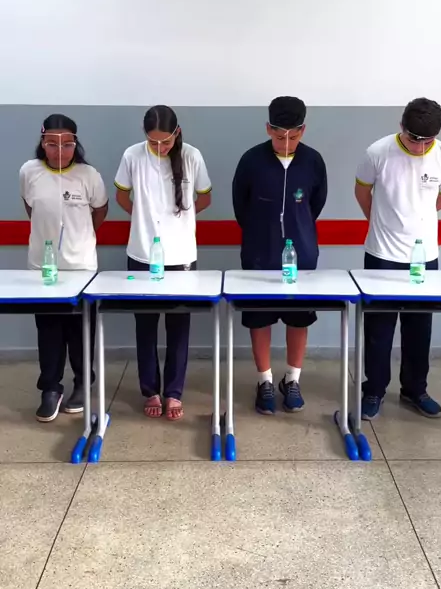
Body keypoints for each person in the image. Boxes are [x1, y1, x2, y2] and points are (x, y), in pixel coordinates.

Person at [355, 97, 441, 420]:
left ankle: (415, 389)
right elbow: (362, 193)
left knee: (419, 327)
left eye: (427, 141)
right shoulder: (377, 153)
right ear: (401, 127)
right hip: (382, 254)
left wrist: (417, 223)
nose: (419, 147)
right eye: (414, 139)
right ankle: (374, 390)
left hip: (424, 257)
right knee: (379, 328)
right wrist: (383, 224)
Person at [115, 105, 212, 420]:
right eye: (153, 142)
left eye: (166, 142)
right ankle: (150, 391)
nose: (160, 147)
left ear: (177, 133)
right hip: (141, 254)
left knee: (178, 328)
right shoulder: (132, 156)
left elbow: (204, 197)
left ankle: (173, 392)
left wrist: (180, 221)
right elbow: (122, 197)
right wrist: (143, 219)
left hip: (181, 256)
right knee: (145, 326)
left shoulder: (192, 156)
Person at [232, 96, 328, 415]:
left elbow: (315, 204)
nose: (286, 143)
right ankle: (264, 381)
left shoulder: (313, 161)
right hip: (259, 254)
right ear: (268, 129)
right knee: (259, 319)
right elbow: (241, 205)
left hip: (302, 255)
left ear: (303, 130)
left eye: (293, 136)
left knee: (298, 319)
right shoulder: (251, 161)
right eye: (279, 135)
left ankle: (292, 380)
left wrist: (297, 229)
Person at [20, 114, 108, 422]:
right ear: (42, 142)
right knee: (48, 330)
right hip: (42, 268)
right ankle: (50, 388)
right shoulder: (29, 172)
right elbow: (31, 207)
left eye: (67, 144)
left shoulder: (88, 175)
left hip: (80, 266)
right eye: (52, 144)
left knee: (80, 330)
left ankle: (83, 384)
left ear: (76, 144)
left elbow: (100, 210)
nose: (60, 151)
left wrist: (79, 238)